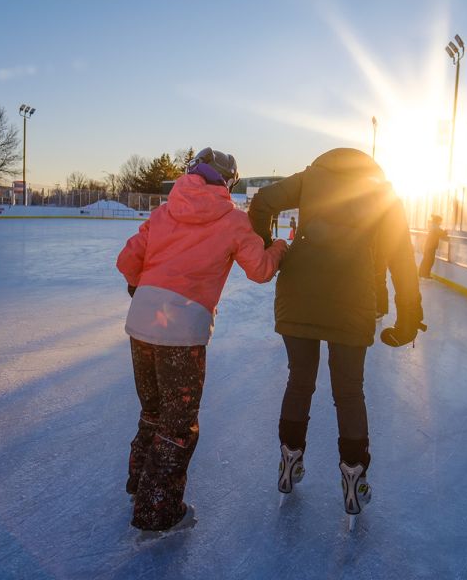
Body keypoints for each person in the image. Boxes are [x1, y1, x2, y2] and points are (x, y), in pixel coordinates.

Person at [117, 147, 288, 533]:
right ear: (227, 181)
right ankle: (157, 512)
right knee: (177, 425)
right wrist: (279, 248)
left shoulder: (164, 212)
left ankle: (138, 484)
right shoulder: (232, 220)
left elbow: (128, 258)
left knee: (152, 412)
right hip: (183, 331)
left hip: (141, 320)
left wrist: (140, 289)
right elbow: (260, 270)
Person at [248, 147, 423, 518]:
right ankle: (354, 479)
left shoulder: (311, 178)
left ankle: (289, 461)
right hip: (350, 297)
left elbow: (261, 202)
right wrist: (408, 315)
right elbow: (402, 260)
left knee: (299, 380)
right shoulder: (384, 195)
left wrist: (266, 245)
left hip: (299, 293)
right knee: (348, 391)